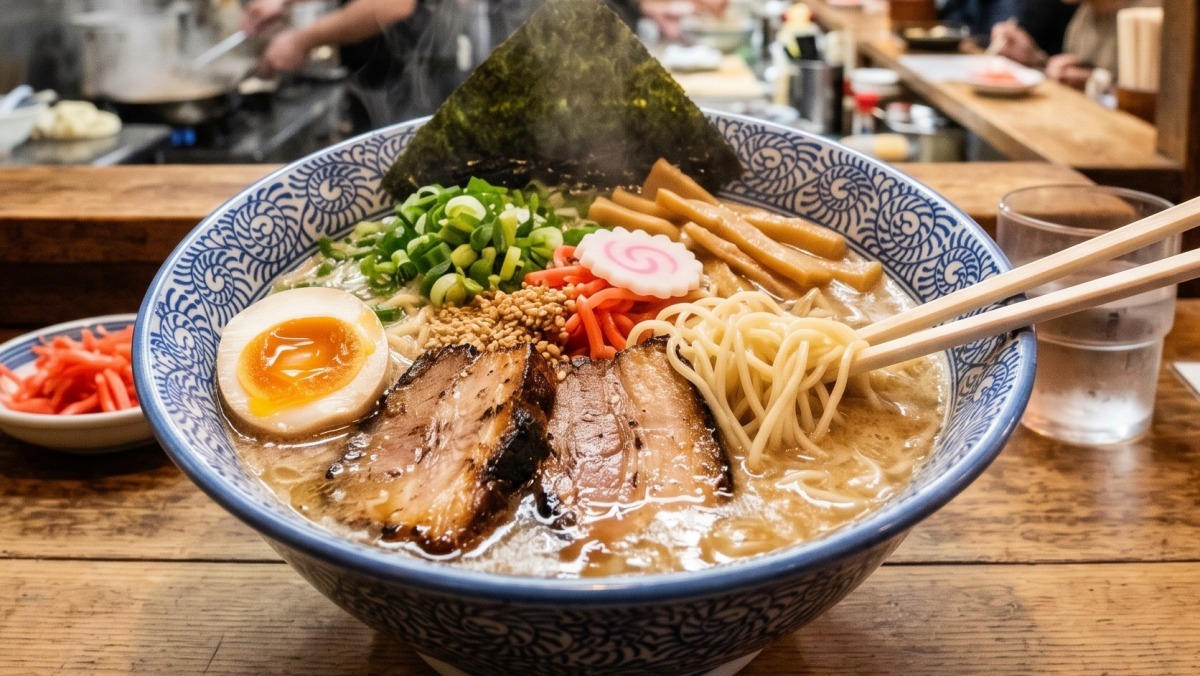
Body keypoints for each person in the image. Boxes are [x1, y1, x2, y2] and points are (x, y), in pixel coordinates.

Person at [990, 0, 1160, 90]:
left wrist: (1097, 86)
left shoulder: (1152, 15)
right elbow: (1076, 75)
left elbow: (1159, 106)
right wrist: (1034, 59)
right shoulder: (1086, 11)